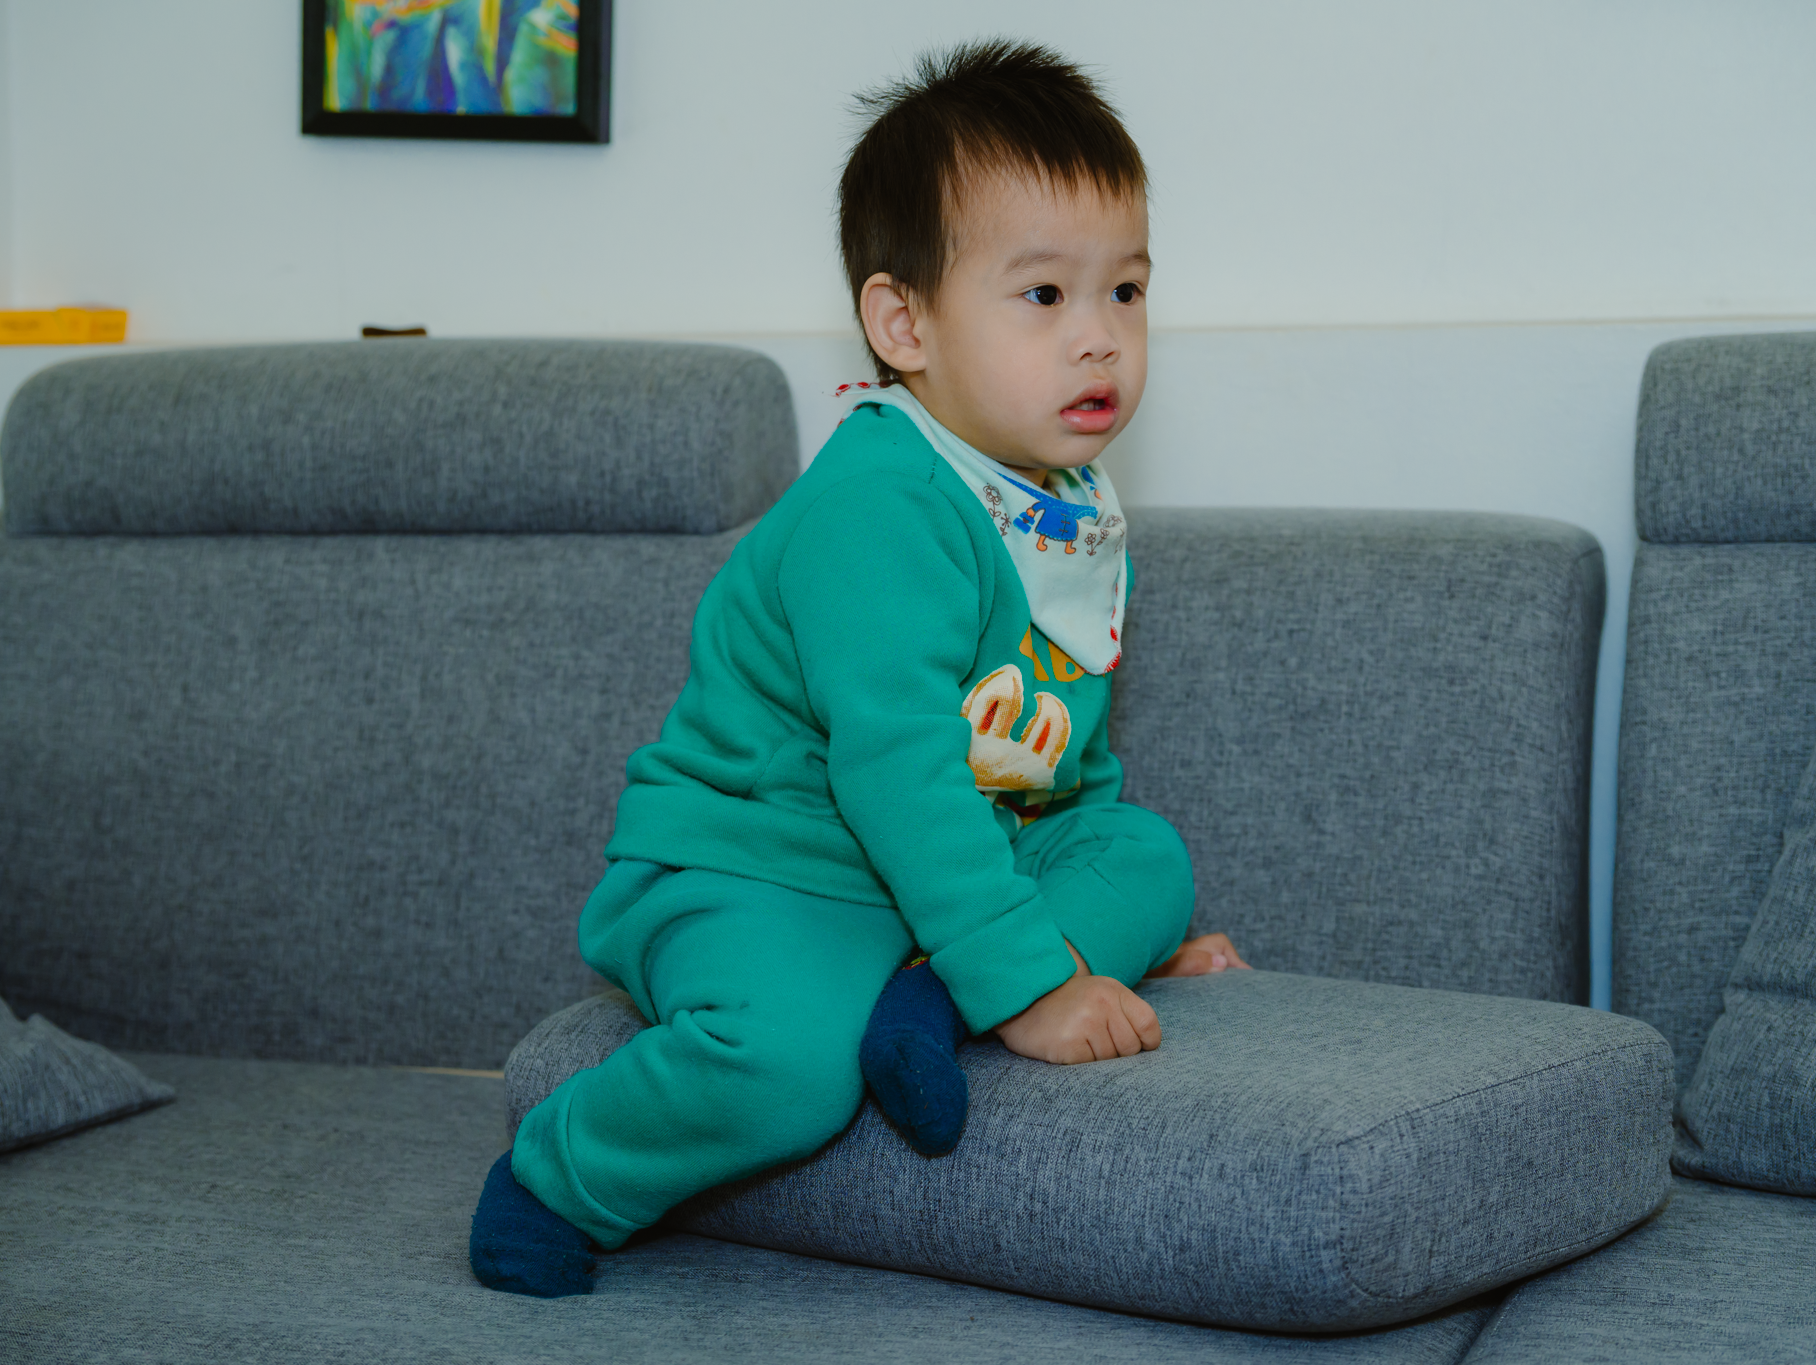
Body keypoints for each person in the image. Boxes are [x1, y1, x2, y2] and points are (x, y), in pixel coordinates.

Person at [469, 39, 1251, 1298]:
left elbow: (1067, 760)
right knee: (785, 1072)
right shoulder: (879, 503)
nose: (1100, 339)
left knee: (1146, 855)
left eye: (1125, 291)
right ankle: (560, 1172)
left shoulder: (1061, 509)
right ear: (904, 324)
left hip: (946, 858)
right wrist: (1036, 984)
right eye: (1043, 296)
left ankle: (928, 1000)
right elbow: (895, 771)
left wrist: (1110, 923)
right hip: (771, 864)